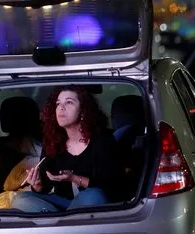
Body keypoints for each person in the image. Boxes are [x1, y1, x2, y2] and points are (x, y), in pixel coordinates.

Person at [10, 85, 124, 213]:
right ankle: (66, 222)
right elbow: (46, 187)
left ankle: (57, 222)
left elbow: (113, 186)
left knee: (94, 195)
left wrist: (74, 178)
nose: (61, 108)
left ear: (83, 111)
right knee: (20, 199)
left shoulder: (103, 141)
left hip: (90, 201)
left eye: (69, 102)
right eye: (58, 104)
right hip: (62, 203)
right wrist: (37, 184)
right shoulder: (52, 142)